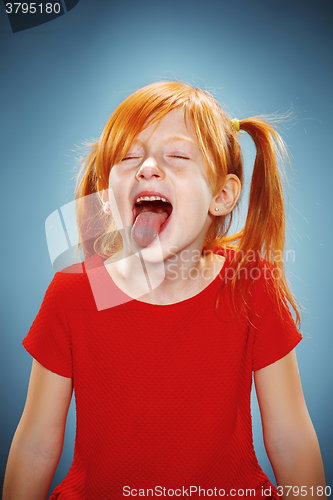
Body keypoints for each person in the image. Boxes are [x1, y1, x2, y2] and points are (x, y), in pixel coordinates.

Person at [3, 81, 326, 500]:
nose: (147, 168)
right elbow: (35, 445)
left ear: (223, 196)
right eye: (129, 157)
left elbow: (290, 438)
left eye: (176, 156)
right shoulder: (74, 293)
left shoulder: (251, 287)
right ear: (107, 197)